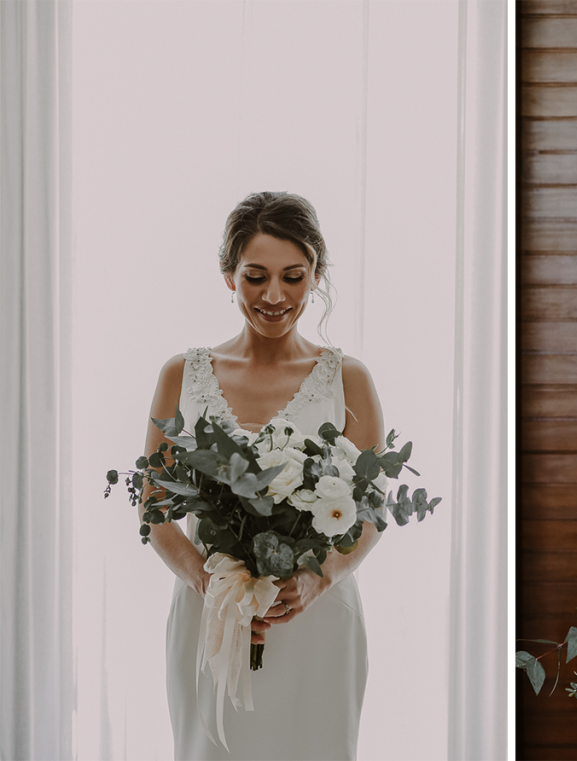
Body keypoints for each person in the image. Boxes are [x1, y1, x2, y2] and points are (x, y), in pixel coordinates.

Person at [141, 191, 383, 760]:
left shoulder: (349, 378)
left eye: (293, 277)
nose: (275, 296)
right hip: (214, 618)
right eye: (255, 276)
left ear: (316, 274)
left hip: (313, 616)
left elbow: (371, 509)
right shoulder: (182, 374)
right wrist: (210, 585)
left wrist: (321, 577)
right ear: (229, 276)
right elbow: (154, 507)